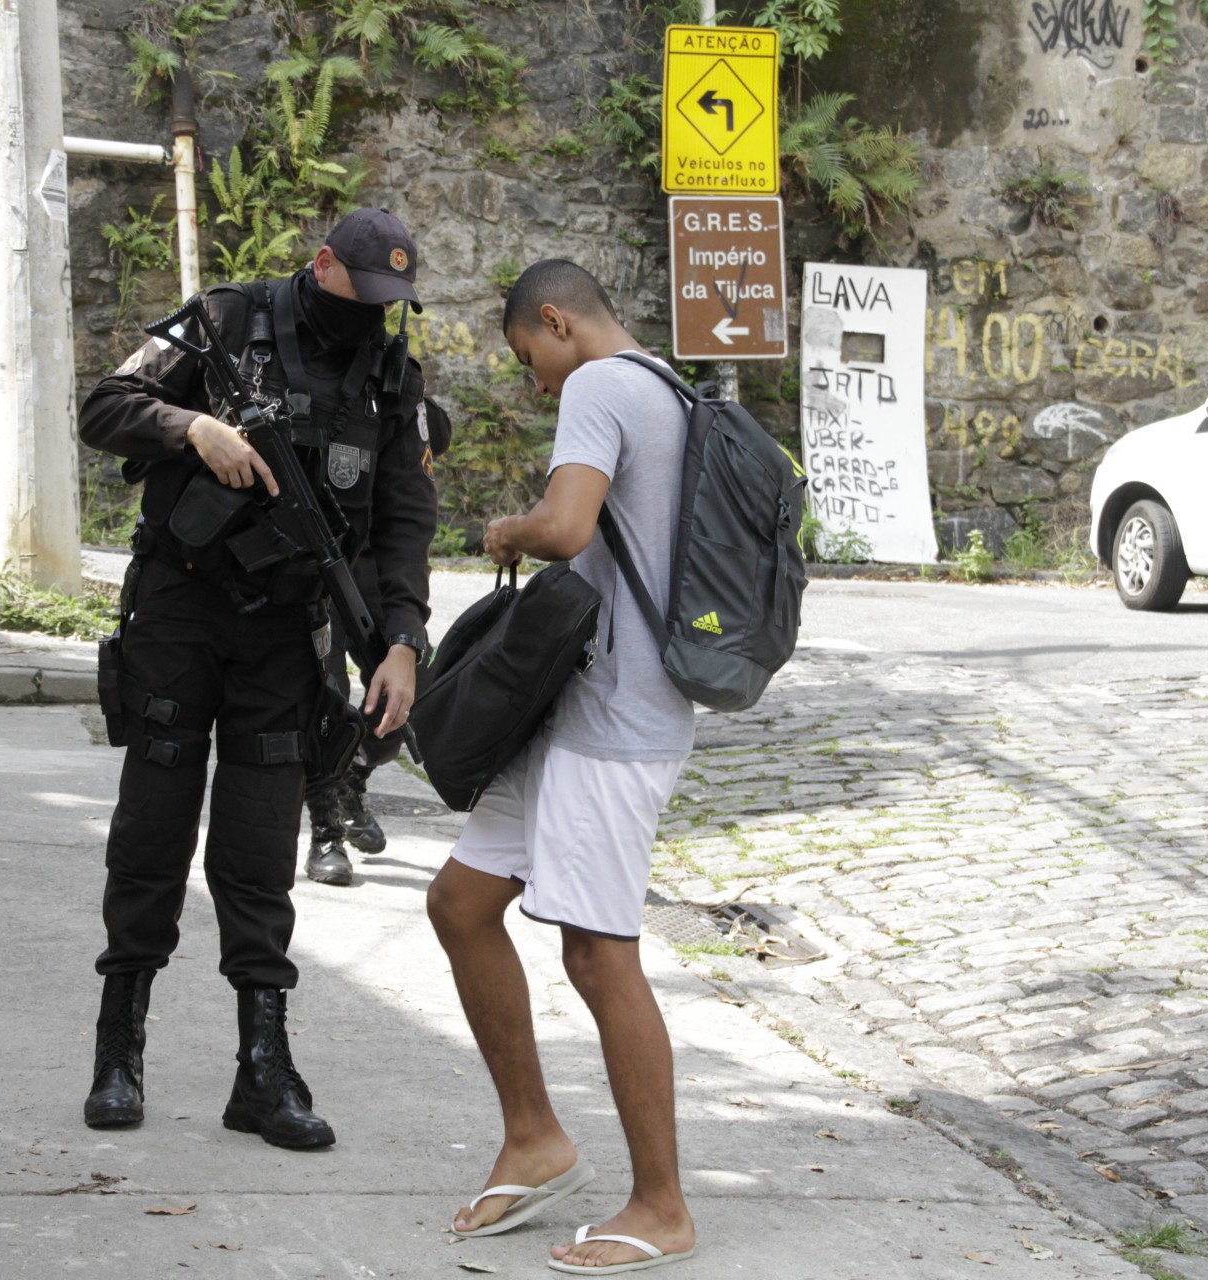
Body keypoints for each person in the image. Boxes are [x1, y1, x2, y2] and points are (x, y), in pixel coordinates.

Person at [75, 208, 437, 1149]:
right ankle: (120, 1050)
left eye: (394, 303)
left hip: (287, 634)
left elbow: (402, 520)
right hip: (180, 613)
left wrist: (401, 639)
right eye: (366, 295)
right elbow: (104, 408)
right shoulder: (226, 323)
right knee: (152, 824)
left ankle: (263, 1071)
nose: (378, 317)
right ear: (322, 265)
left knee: (260, 844)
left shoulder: (391, 375)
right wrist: (192, 427)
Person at [425, 260, 698, 1274]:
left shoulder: (598, 385)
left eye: (527, 357)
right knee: (459, 901)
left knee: (598, 951)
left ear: (555, 321)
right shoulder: (668, 384)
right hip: (573, 705)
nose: (536, 382)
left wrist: (509, 527)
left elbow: (570, 525)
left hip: (612, 721)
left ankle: (662, 1203)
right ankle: (535, 1134)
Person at [305, 395, 453, 887]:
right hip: (310, 564)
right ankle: (325, 830)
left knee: (414, 696)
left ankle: (354, 774)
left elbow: (439, 438)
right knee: (321, 701)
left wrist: (404, 397)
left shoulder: (390, 378)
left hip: (376, 566)